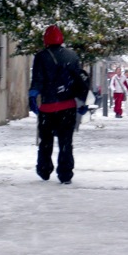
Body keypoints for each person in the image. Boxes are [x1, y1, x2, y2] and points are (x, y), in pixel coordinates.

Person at [28, 25, 88, 185]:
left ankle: (44, 169)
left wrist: (33, 96)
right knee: (66, 142)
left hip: (48, 107)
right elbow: (78, 80)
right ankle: (65, 173)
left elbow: (37, 80)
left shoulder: (41, 56)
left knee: (46, 141)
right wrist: (82, 101)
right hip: (68, 106)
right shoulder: (72, 56)